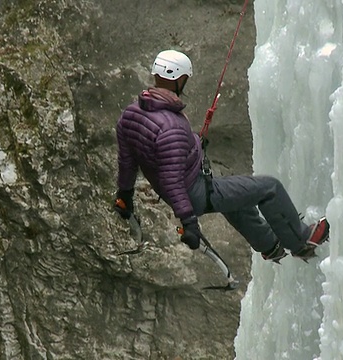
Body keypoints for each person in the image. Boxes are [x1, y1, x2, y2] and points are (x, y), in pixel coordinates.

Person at [112, 49, 329, 262]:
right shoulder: (172, 126)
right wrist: (189, 222)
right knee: (269, 188)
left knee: (238, 195)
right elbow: (172, 179)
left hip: (186, 188)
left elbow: (127, 161)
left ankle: (269, 245)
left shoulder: (132, 114)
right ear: (178, 79)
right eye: (185, 78)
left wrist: (125, 195)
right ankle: (300, 241)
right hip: (194, 193)